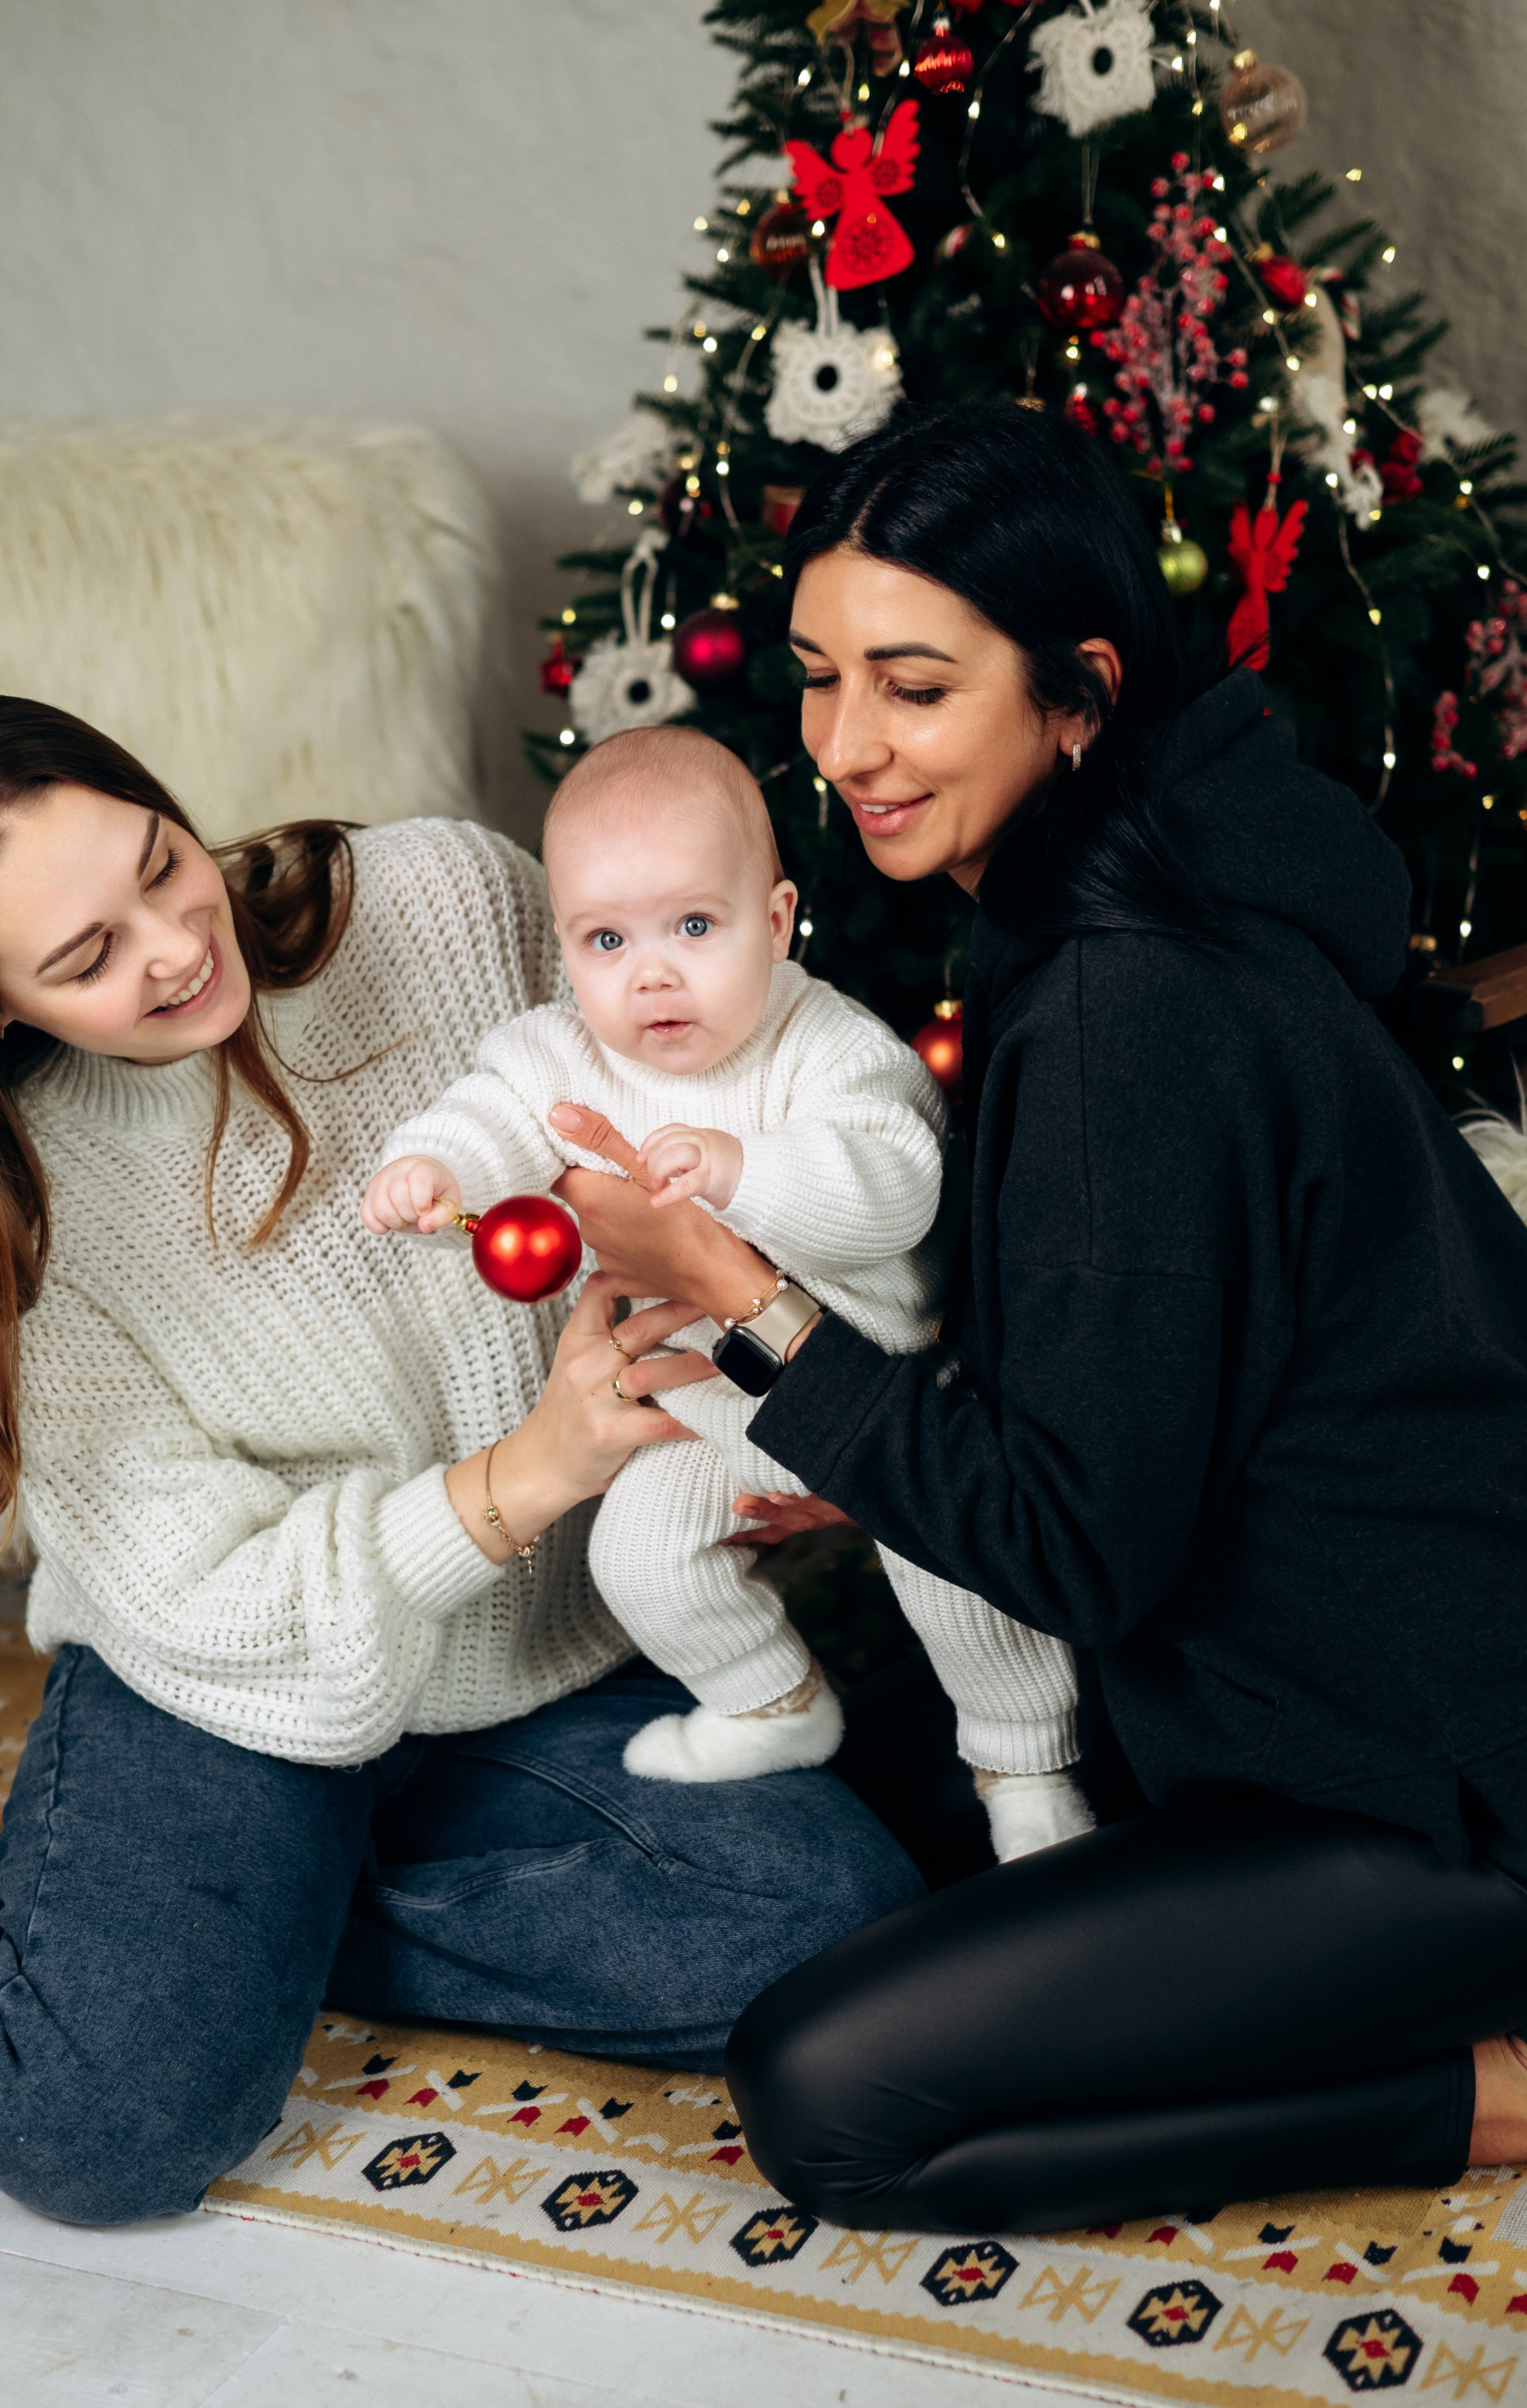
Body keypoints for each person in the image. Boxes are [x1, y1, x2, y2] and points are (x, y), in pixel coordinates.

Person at [548, 404, 1527, 2232]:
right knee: (870, 1812)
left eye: (915, 688)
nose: (845, 747)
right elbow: (1148, 1362)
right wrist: (869, 1466)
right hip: (1372, 1675)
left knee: (829, 2096)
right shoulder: (1142, 876)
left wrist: (740, 1295)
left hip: (1436, 1785)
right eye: (825, 675)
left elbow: (1077, 1546)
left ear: (1073, 692)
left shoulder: (1122, 1013)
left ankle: (1475, 2092)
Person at [0, 694, 922, 2228]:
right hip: (229, 1666)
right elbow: (197, 1587)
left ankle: (252, 1934)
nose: (175, 945)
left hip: (532, 1658)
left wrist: (823, 1375)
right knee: (100, 2123)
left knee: (840, 1927)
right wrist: (528, 1469)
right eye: (84, 957)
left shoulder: (445, 899)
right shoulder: (22, 1215)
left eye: (160, 863)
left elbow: (755, 1051)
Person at [361, 722, 1089, 1854]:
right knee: (635, 1559)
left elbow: (895, 1186)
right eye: (607, 939)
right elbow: (492, 1113)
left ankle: (1023, 1767)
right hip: (711, 1410)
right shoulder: (561, 1052)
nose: (652, 971)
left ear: (776, 919)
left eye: (694, 926)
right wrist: (435, 1168)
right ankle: (771, 1704)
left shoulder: (822, 1042)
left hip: (880, 1392)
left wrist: (745, 1175)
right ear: (566, 950)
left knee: (956, 1573)